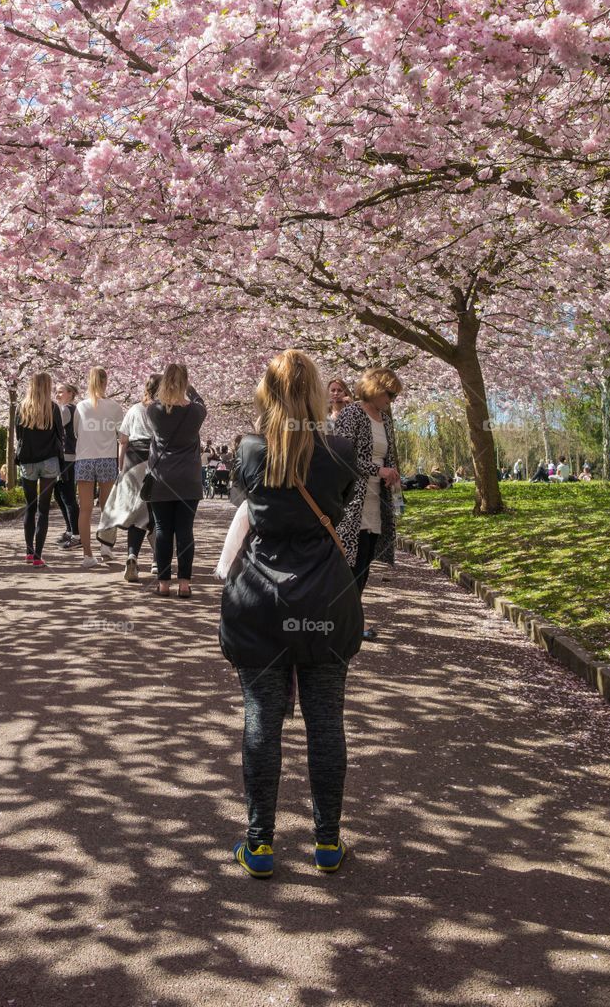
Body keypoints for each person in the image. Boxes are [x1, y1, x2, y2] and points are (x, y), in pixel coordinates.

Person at [219, 349, 363, 878]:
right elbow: (341, 503)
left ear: (267, 394)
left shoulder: (250, 451)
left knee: (262, 720)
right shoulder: (343, 450)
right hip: (324, 597)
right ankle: (327, 842)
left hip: (259, 598)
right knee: (327, 722)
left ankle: (259, 843)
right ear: (319, 394)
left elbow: (249, 504)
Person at [334, 367, 403, 642]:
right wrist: (377, 471)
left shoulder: (385, 419)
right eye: (390, 393)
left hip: (377, 501)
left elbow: (387, 456)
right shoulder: (352, 414)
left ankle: (350, 620)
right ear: (376, 389)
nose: (392, 399)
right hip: (353, 502)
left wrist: (392, 472)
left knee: (363, 564)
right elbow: (341, 456)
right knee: (349, 563)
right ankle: (345, 622)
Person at [145, 363, 205, 598]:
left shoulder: (153, 410)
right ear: (186, 382)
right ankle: (184, 584)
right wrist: (188, 387)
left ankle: (162, 583)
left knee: (162, 530)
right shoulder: (196, 412)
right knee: (185, 530)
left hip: (162, 477)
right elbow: (199, 400)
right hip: (188, 479)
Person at [97, 373, 161, 582]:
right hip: (155, 460)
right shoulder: (164, 410)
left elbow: (123, 440)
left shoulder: (134, 409)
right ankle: (156, 560)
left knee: (137, 510)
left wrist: (120, 466)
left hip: (133, 460)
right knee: (154, 510)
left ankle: (133, 554)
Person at [74, 367, 124, 569]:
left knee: (84, 509)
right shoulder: (114, 407)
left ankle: (87, 554)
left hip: (84, 459)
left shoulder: (81, 406)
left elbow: (77, 432)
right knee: (107, 507)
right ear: (106, 382)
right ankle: (106, 546)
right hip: (106, 458)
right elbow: (122, 435)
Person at [15, 372, 64, 566]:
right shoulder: (52, 408)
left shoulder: (22, 408)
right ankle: (38, 556)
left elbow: (19, 436)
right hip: (49, 461)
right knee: (43, 509)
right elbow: (61, 435)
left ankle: (28, 552)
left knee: (30, 506)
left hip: (28, 461)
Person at [54, 382, 81, 548]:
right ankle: (71, 530)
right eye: (56, 392)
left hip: (67, 457)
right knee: (60, 495)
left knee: (67, 496)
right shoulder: (72, 409)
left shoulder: (65, 410)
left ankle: (76, 534)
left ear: (70, 393)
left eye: (60, 392)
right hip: (66, 456)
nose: (57, 395)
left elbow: (53, 428)